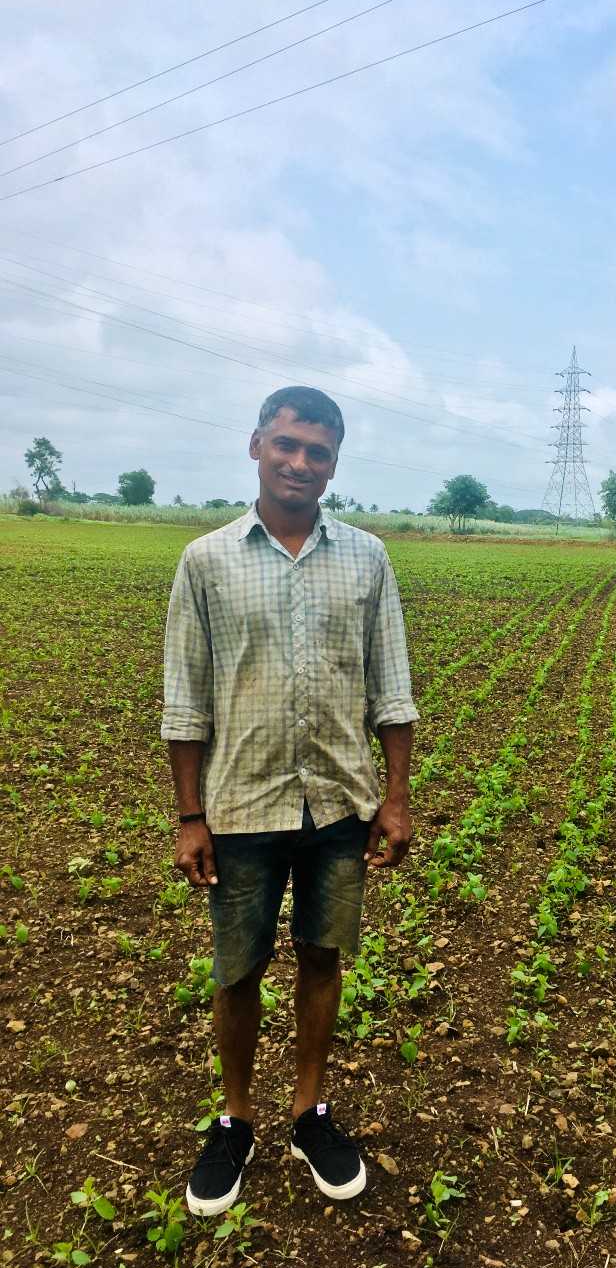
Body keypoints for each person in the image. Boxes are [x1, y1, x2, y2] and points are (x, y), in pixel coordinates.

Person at [161, 386, 418, 1218]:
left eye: (318, 451)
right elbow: (184, 700)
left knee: (321, 958)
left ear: (335, 462)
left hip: (339, 803)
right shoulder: (205, 561)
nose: (301, 463)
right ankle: (234, 1118)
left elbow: (393, 690)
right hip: (240, 808)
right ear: (256, 446)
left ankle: (309, 1111)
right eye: (287, 445)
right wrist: (189, 815)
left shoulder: (368, 558)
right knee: (237, 971)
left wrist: (397, 799)